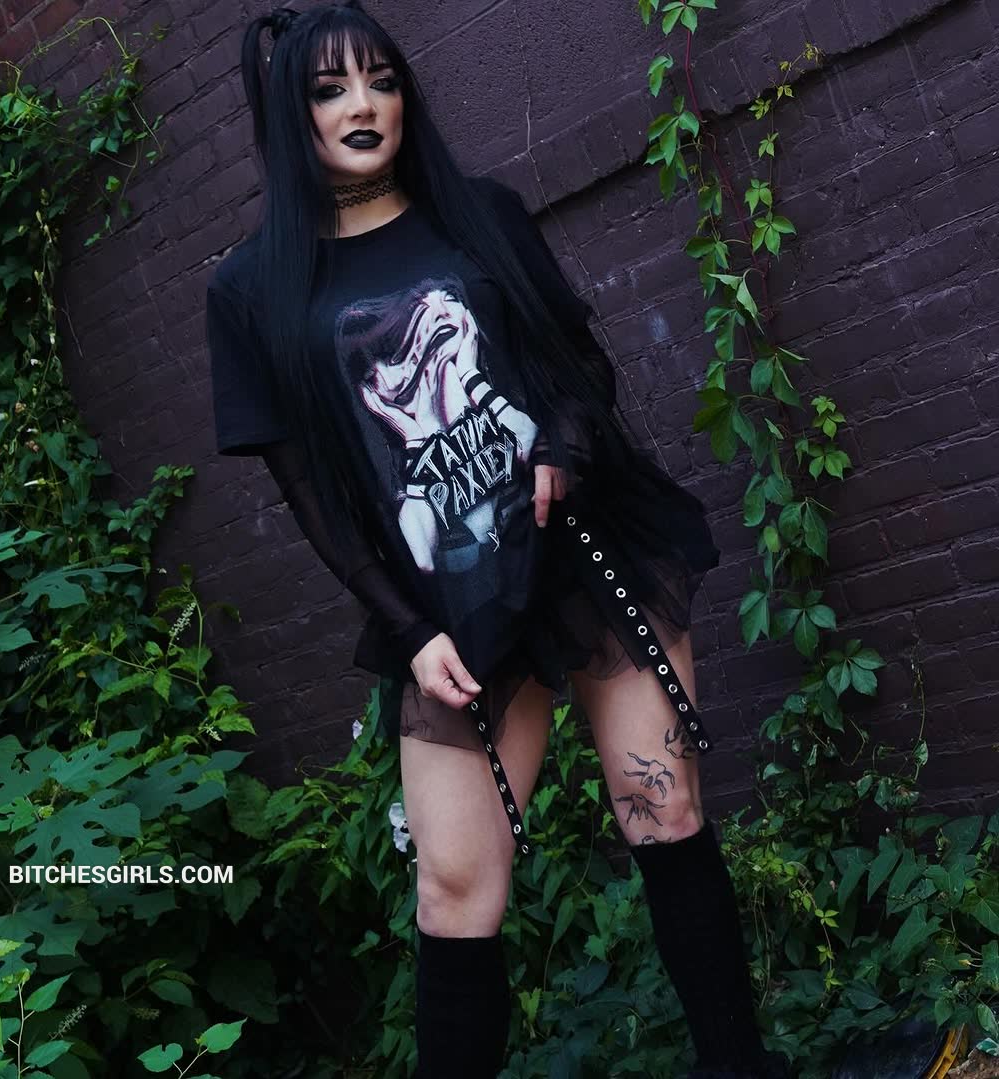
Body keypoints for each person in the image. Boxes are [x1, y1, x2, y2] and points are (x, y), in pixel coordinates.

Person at [205, 4, 789, 1077]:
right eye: (331, 89)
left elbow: (577, 364)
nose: (363, 105)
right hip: (451, 614)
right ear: (291, 115)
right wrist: (407, 626)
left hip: (581, 558)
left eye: (381, 80)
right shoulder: (251, 290)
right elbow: (311, 494)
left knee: (663, 810)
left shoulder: (479, 216)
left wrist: (562, 442)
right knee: (455, 888)